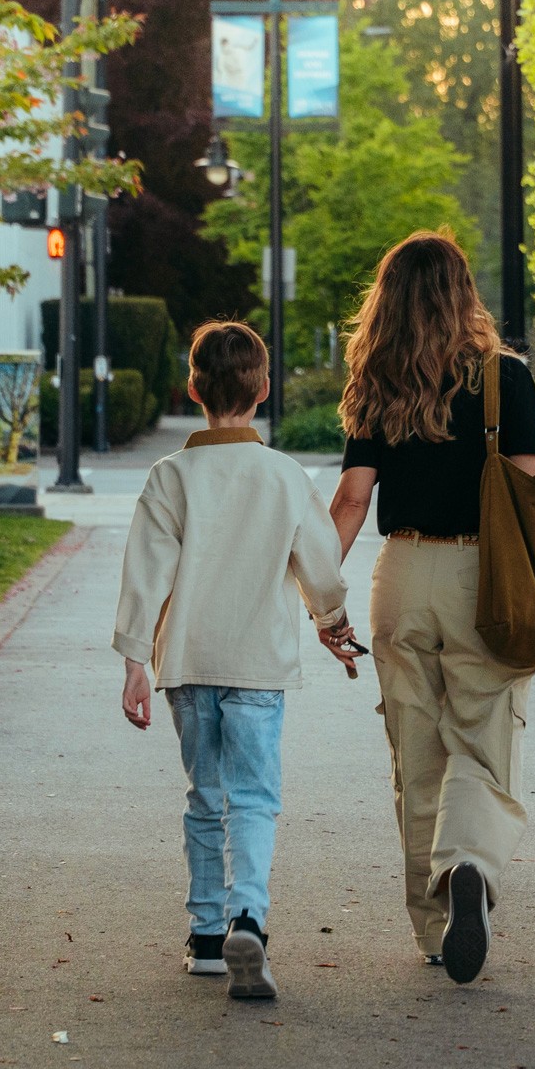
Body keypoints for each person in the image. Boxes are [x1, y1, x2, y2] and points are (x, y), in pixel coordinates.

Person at [329, 232, 535, 984]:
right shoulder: (504, 377)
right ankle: (469, 864)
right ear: (462, 292)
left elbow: (352, 500)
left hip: (401, 574)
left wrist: (315, 592)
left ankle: (434, 927)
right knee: (483, 738)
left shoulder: (375, 378)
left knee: (416, 756)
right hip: (487, 578)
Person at [112, 319, 360, 1002]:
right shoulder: (284, 475)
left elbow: (146, 574)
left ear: (192, 387)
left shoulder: (172, 475)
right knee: (254, 797)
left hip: (188, 661)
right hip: (258, 662)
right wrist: (330, 620)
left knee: (204, 796)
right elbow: (319, 562)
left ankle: (205, 938)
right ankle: (249, 914)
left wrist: (135, 658)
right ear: (265, 389)